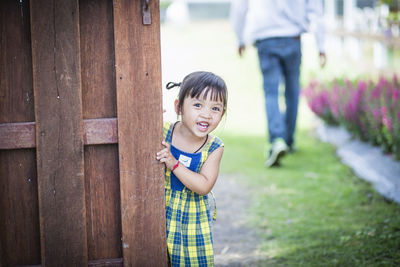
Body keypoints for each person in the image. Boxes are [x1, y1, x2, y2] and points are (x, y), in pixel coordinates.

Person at [230, 0, 326, 167]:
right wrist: (321, 45)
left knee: (271, 92)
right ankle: (288, 140)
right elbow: (316, 10)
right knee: (292, 92)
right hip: (293, 37)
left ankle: (277, 140)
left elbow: (239, 7)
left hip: (266, 38)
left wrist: (240, 39)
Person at [156, 71, 228, 266]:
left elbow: (204, 185)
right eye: (197, 105)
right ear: (179, 107)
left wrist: (174, 164)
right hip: (157, 211)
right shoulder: (161, 131)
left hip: (192, 220)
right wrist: (147, 116)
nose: (206, 114)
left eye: (215, 108)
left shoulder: (214, 147)